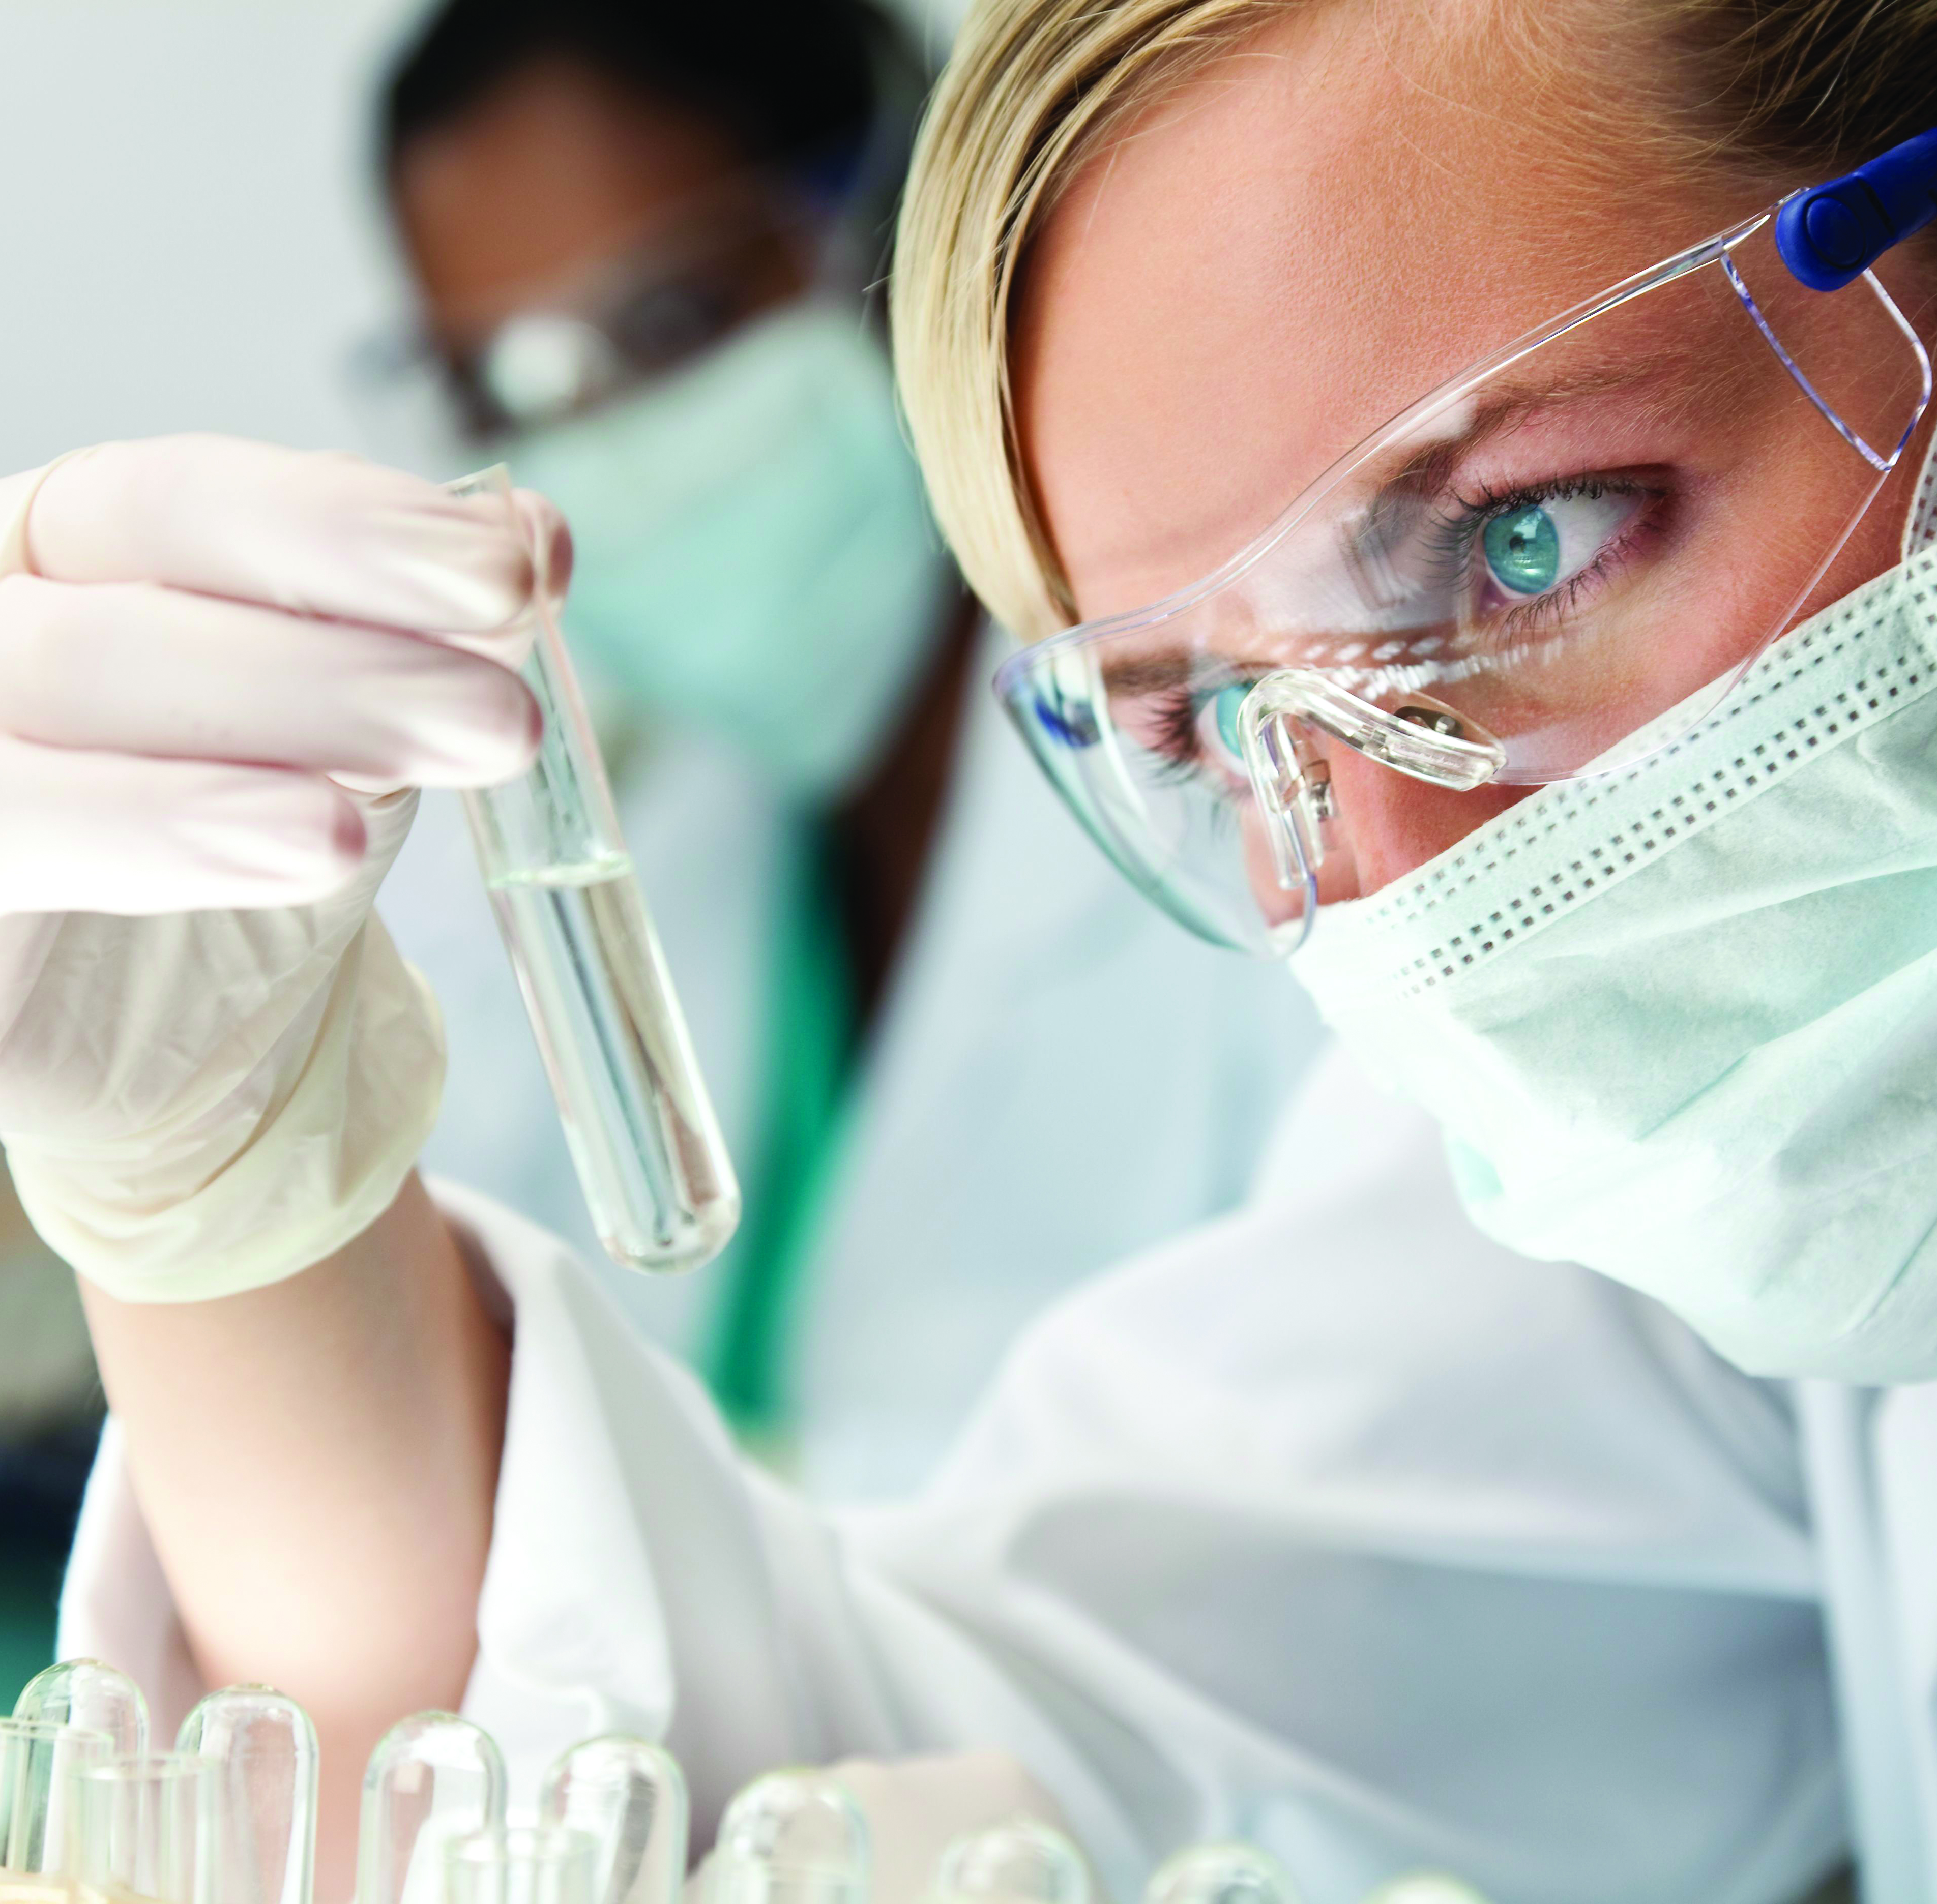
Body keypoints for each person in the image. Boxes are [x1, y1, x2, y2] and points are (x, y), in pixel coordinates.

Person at [0, 0, 1937, 1899]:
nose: (1404, 891)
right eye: (1203, 719)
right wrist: (228, 1210)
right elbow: (953, 1803)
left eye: (1525, 537)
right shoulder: (1826, 1044)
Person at [360, 0, 1324, 1490]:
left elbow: (1347, 1448)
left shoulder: (1258, 761)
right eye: (505, 388)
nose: (611, 455)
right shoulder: (656, 824)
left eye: (671, 322)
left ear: (892, 226)